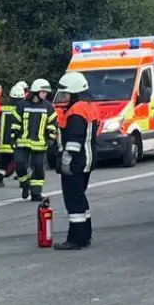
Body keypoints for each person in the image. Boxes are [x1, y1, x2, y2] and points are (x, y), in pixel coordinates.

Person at [55, 71, 97, 249]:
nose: (64, 96)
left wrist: (66, 160)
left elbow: (74, 139)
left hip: (76, 162)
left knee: (73, 200)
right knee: (80, 198)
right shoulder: (88, 106)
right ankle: (85, 234)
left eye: (66, 92)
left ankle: (75, 239)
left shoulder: (76, 111)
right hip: (87, 160)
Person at [16, 79, 56, 201]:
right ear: (36, 91)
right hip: (23, 142)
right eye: (43, 92)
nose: (45, 94)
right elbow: (15, 122)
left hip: (40, 144)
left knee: (38, 167)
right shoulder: (23, 104)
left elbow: (52, 124)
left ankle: (36, 193)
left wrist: (50, 138)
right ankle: (25, 184)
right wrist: (13, 137)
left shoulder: (48, 106)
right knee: (19, 164)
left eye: (46, 92)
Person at [0, 81, 25, 187]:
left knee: (3, 162)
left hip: (3, 141)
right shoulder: (21, 109)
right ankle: (23, 182)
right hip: (16, 141)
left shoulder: (3, 109)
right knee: (20, 163)